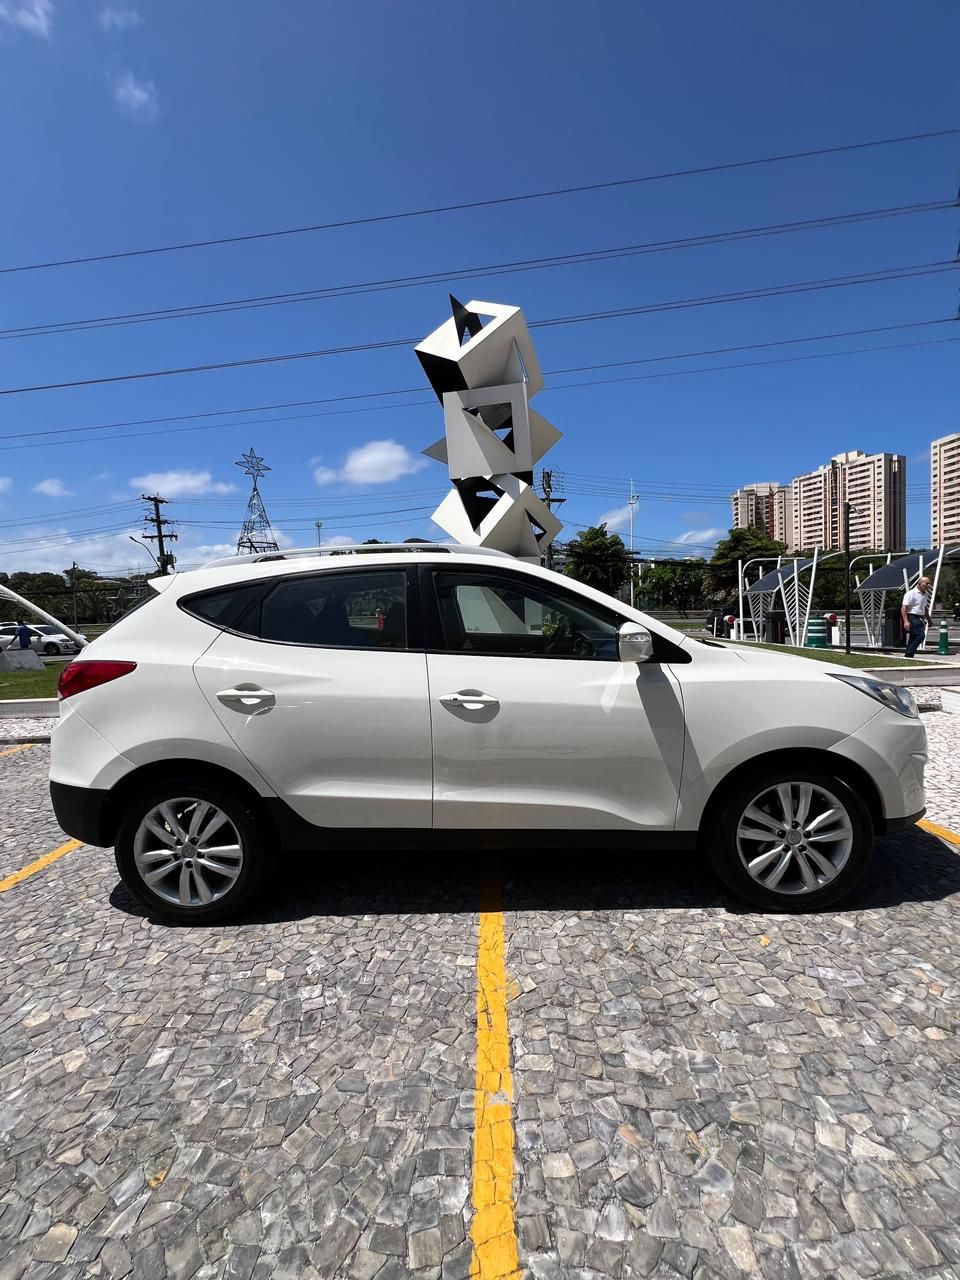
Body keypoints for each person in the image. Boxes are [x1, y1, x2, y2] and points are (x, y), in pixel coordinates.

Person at [901, 576, 932, 658]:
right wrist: (906, 621)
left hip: (920, 617)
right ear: (919, 584)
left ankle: (908, 655)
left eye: (929, 583)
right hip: (912, 616)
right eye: (926, 583)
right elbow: (904, 607)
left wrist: (929, 620)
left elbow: (924, 608)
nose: (928, 585)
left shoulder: (925, 594)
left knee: (913, 637)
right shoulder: (911, 593)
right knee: (920, 636)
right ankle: (909, 653)